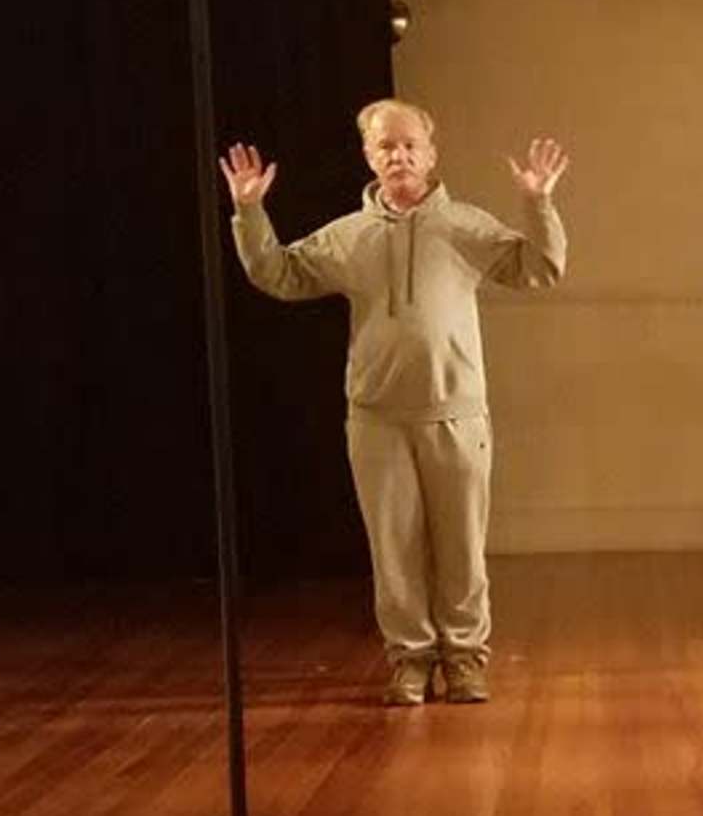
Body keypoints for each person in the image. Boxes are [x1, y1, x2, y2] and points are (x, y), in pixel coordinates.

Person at [223, 100, 570, 706]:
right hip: (377, 421)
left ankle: (464, 662)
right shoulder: (349, 236)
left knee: (462, 548)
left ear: (431, 155)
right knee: (395, 552)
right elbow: (278, 273)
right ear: (369, 157)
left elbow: (540, 267)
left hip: (456, 415)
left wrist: (538, 204)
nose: (399, 155)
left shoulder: (465, 226)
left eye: (410, 144)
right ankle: (410, 662)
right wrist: (249, 212)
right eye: (386, 147)